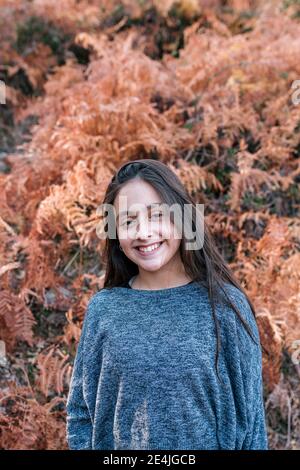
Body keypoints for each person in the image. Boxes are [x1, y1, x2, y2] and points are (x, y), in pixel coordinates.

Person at [66, 159, 269, 450]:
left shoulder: (225, 307)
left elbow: (251, 426)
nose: (143, 232)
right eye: (127, 221)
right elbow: (81, 413)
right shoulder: (105, 310)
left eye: (156, 215)